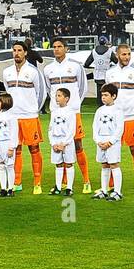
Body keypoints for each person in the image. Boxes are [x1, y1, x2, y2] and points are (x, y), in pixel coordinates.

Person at [42, 37, 92, 193]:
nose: (56, 49)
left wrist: (73, 105)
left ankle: (86, 181)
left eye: (59, 46)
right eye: (54, 47)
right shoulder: (48, 69)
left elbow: (83, 88)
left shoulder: (76, 67)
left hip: (73, 112)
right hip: (56, 112)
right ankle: (62, 183)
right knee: (58, 143)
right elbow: (48, 88)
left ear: (66, 49)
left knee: (77, 145)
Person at [4, 40, 47, 194]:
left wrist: (34, 109)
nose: (16, 53)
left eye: (20, 50)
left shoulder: (34, 71)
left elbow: (41, 93)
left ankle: (37, 182)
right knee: (16, 149)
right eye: (14, 50)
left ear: (26, 52)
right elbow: (8, 93)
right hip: (13, 117)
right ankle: (17, 182)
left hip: (29, 116)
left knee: (34, 149)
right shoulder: (7, 72)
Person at [110, 44, 134, 197]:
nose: (126, 57)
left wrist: (133, 106)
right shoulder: (110, 73)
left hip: (131, 118)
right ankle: (111, 184)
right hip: (115, 119)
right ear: (117, 55)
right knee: (113, 151)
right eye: (124, 54)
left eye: (128, 54)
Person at [92, 83, 124, 201]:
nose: (103, 97)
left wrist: (110, 142)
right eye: (102, 95)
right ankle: (104, 190)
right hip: (101, 141)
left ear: (114, 96)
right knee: (104, 165)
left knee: (114, 164)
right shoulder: (99, 110)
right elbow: (95, 126)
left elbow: (119, 129)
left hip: (112, 143)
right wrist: (98, 141)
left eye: (106, 95)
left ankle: (117, 192)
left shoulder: (118, 110)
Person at [47, 88, 77, 196]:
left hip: (66, 142)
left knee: (69, 164)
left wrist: (64, 143)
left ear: (67, 98)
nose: (56, 98)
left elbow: (71, 130)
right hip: (56, 141)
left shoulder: (71, 112)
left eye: (59, 96)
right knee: (58, 164)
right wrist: (53, 143)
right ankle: (58, 187)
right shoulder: (54, 112)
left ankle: (69, 188)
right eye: (56, 95)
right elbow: (50, 128)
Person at [0, 92, 19, 198]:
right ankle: (3, 188)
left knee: (9, 166)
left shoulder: (12, 117)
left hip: (7, 143)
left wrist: (12, 147)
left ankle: (10, 188)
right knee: (1, 166)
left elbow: (14, 132)